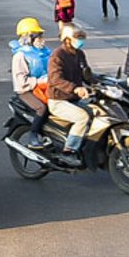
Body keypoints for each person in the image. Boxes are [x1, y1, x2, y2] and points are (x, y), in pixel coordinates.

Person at [45, 21, 96, 158]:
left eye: (81, 38)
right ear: (67, 39)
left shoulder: (79, 54)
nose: (80, 41)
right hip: (58, 100)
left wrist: (100, 82)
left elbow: (86, 74)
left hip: (74, 99)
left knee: (98, 111)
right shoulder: (57, 56)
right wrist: (75, 89)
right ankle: (69, 150)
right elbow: (56, 80)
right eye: (78, 38)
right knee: (82, 117)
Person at [8, 17, 52, 147]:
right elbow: (21, 81)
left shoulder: (44, 52)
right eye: (37, 35)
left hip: (45, 86)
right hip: (26, 91)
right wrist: (38, 81)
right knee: (42, 108)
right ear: (28, 37)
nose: (40, 38)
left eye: (41, 35)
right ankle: (33, 135)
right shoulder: (20, 56)